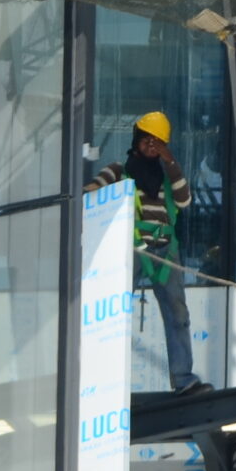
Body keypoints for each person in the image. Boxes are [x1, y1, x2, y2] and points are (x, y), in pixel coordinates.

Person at [90, 110, 205, 396]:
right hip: (132, 250)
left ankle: (183, 378)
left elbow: (185, 201)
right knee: (113, 317)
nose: (151, 147)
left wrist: (170, 160)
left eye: (157, 143)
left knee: (178, 314)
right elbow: (94, 190)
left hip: (165, 252)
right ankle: (103, 382)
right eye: (147, 141)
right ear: (137, 140)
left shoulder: (168, 174)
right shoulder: (120, 170)